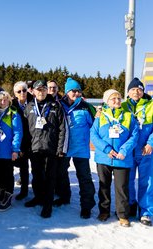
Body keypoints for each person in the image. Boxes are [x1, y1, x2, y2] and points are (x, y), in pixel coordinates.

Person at [121, 78, 153, 226]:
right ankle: (130, 205)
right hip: (128, 151)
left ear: (143, 91)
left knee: (146, 181)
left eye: (139, 89)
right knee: (127, 180)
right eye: (133, 89)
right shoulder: (122, 106)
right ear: (128, 92)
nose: (136, 92)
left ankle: (146, 212)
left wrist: (150, 143)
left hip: (146, 151)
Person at [91, 89, 139, 227]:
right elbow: (93, 134)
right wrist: (106, 149)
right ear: (107, 101)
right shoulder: (100, 117)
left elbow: (134, 136)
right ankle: (104, 211)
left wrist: (124, 150)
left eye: (119, 98)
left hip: (122, 158)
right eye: (113, 99)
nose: (117, 101)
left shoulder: (128, 116)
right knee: (104, 186)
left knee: (122, 188)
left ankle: (122, 215)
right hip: (104, 158)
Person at [24, 80, 66, 218]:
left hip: (51, 148)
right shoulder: (29, 106)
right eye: (38, 89)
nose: (41, 92)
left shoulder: (55, 105)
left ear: (47, 90)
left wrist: (60, 148)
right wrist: (25, 147)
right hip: (34, 148)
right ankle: (38, 198)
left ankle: (47, 205)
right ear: (33, 91)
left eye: (43, 89)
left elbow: (62, 128)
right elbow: (25, 129)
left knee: (49, 177)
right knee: (36, 176)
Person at [57, 78, 96, 219]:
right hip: (65, 147)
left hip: (81, 149)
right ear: (67, 92)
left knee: (84, 178)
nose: (76, 93)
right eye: (74, 91)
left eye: (78, 91)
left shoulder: (86, 107)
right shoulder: (59, 105)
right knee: (61, 174)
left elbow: (95, 127)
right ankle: (64, 196)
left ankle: (86, 206)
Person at [0, 91, 23, 211]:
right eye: (0, 100)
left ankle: (8, 195)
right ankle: (1, 193)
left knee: (8, 174)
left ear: (9, 100)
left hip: (8, 151)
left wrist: (15, 149)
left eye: (5, 99)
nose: (3, 102)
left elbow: (18, 133)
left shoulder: (13, 114)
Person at [11, 81, 33, 200]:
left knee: (29, 167)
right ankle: (19, 190)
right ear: (15, 93)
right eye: (19, 91)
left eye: (24, 90)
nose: (22, 93)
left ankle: (26, 190)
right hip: (19, 140)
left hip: (32, 140)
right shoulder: (12, 105)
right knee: (21, 165)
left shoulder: (33, 103)